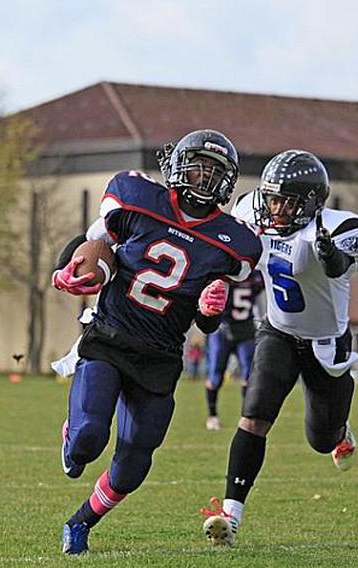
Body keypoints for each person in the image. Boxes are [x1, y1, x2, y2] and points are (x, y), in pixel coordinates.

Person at [50, 129, 262, 555]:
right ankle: (72, 434)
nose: (203, 178)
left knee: (132, 465)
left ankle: (80, 523)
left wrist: (211, 306)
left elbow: (206, 323)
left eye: (214, 171)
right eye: (198, 165)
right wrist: (65, 270)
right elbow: (93, 243)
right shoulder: (135, 198)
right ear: (178, 164)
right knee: (89, 440)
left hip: (161, 356)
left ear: (227, 181)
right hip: (111, 336)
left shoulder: (233, 242)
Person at [200, 150, 358, 547]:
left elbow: (338, 264)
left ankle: (341, 431)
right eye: (272, 198)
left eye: (286, 201)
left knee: (321, 440)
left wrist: (331, 253)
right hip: (277, 333)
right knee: (253, 417)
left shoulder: (336, 228)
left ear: (311, 202)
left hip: (325, 344)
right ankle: (231, 515)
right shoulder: (251, 211)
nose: (275, 208)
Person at [204, 270, 264, 431]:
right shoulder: (223, 272)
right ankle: (212, 416)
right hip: (222, 329)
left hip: (245, 330)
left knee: (249, 376)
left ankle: (246, 416)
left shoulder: (256, 276)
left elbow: (260, 300)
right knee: (215, 376)